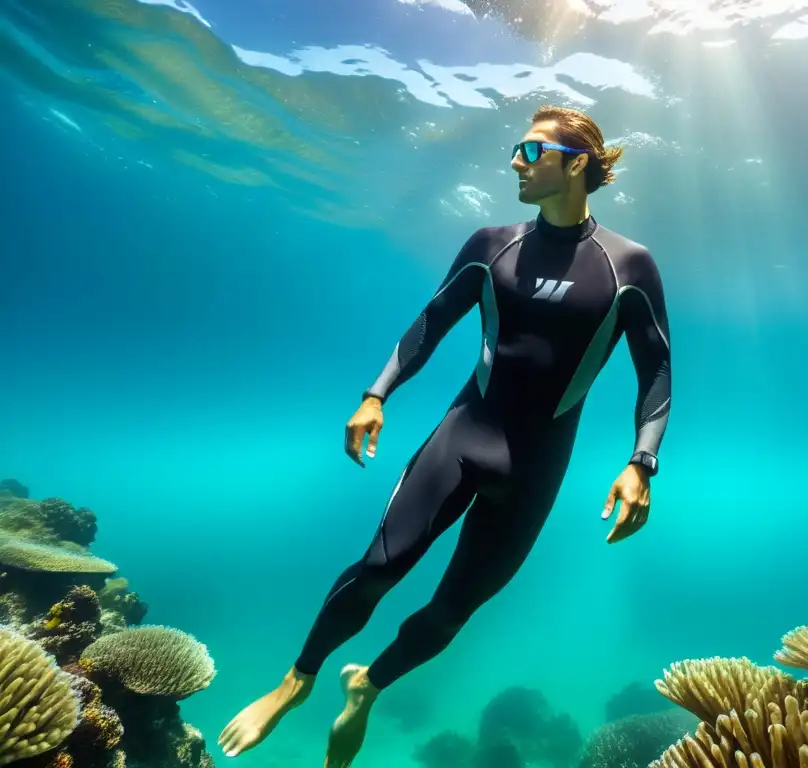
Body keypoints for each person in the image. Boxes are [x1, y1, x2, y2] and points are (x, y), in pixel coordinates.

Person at [217, 105, 672, 768]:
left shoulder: (628, 264)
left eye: (530, 148)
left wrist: (642, 464)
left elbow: (656, 370)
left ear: (574, 163)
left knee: (452, 613)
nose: (514, 160)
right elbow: (431, 323)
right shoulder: (493, 244)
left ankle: (366, 688)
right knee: (378, 569)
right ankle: (294, 684)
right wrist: (376, 395)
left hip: (536, 467)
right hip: (466, 436)